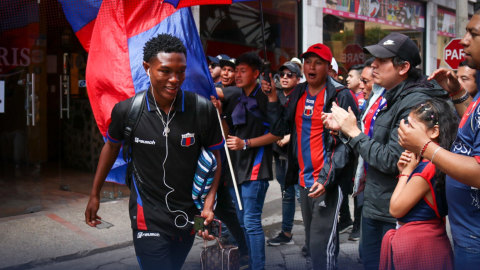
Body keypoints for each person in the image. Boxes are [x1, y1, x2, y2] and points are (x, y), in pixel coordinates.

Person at [84, 34, 224, 270]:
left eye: (181, 71)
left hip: (188, 215)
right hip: (146, 216)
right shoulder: (127, 111)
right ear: (147, 68)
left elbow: (215, 159)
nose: (174, 79)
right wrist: (95, 192)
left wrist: (208, 207)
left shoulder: (202, 110)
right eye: (165, 71)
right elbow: (111, 147)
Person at [323, 32, 447, 270]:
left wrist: (353, 133)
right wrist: (345, 131)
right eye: (373, 59)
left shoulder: (414, 102)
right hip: (378, 202)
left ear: (404, 67)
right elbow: (376, 143)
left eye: (381, 60)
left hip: (395, 211)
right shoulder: (394, 95)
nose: (373, 65)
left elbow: (393, 159)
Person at [263, 43, 359, 270]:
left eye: (318, 62)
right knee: (315, 240)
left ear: (328, 66)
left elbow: (347, 144)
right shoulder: (298, 92)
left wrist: (326, 179)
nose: (311, 67)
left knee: (319, 242)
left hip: (327, 181)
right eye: (308, 62)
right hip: (304, 181)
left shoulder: (341, 95)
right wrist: (272, 98)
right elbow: (279, 128)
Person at [397, 12, 480, 269]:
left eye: (474, 34)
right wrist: (457, 93)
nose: (464, 41)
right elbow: (473, 127)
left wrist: (424, 146)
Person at [211, 52, 283, 270]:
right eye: (236, 70)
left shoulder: (266, 97)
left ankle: (257, 266)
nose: (237, 74)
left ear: (256, 74)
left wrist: (247, 143)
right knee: (242, 222)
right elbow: (227, 133)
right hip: (234, 168)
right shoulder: (235, 96)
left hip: (256, 168)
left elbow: (278, 134)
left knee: (251, 223)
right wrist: (220, 114)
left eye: (242, 71)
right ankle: (252, 262)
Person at [380, 99, 455, 269]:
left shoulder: (427, 168)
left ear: (434, 131)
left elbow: (396, 209)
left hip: (418, 246)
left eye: (411, 127)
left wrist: (405, 173)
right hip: (429, 240)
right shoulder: (438, 162)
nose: (404, 131)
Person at [266, 61, 301, 246]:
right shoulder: (275, 96)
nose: (285, 78)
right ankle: (286, 233)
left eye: (290, 74)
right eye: (282, 75)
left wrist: (289, 135)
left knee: (301, 195)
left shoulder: (302, 96)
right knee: (286, 193)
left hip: (297, 155)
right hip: (279, 154)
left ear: (298, 78)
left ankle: (315, 237)